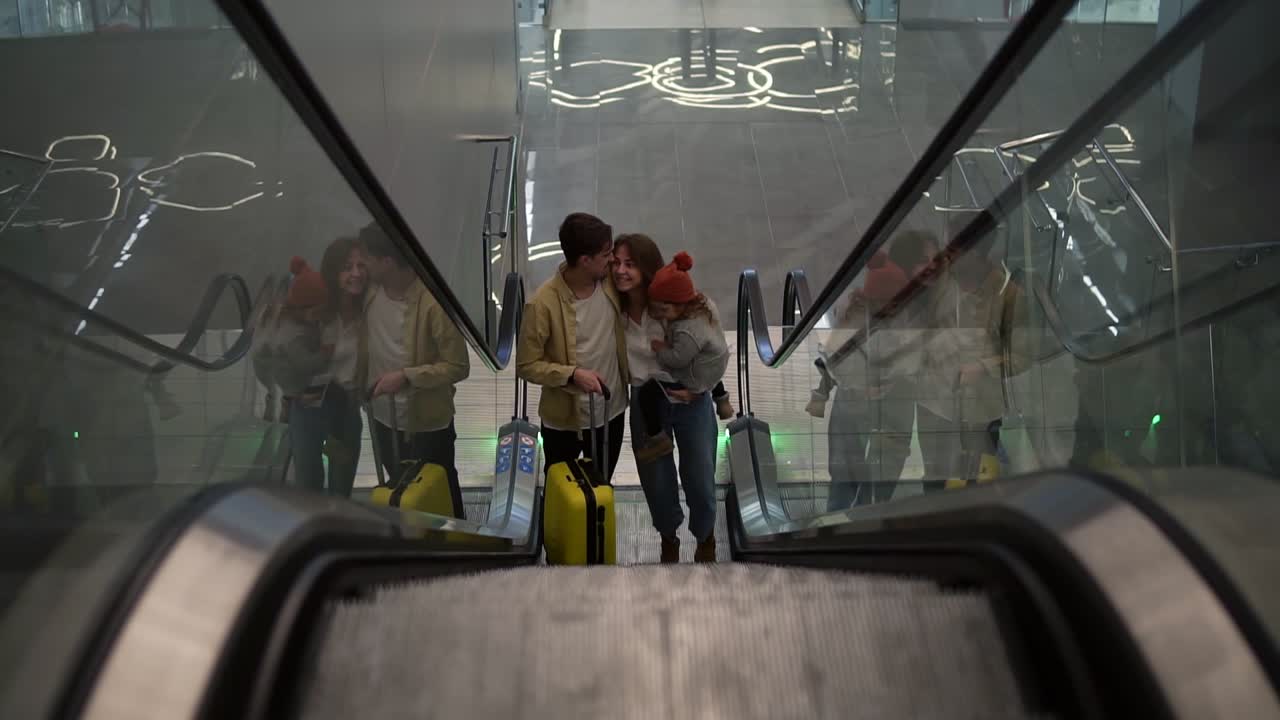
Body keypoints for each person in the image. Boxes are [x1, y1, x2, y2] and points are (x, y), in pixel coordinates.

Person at [614, 235, 720, 563]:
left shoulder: (674, 303)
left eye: (630, 264)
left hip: (690, 401)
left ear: (647, 267)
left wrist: (705, 388)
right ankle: (668, 540)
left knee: (700, 478)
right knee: (656, 483)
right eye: (615, 263)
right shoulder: (610, 311)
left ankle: (706, 538)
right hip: (646, 406)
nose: (620, 271)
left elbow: (713, 350)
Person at [358, 224, 470, 516]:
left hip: (427, 424)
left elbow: (458, 366)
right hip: (382, 417)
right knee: (402, 494)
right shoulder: (368, 293)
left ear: (387, 262)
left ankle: (458, 549)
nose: (362, 266)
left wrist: (407, 377)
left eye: (368, 259)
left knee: (440, 491)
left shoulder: (434, 303)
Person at [516, 212, 628, 480]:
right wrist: (572, 374)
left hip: (610, 414)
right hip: (563, 423)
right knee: (561, 493)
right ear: (584, 260)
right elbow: (526, 365)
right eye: (606, 254)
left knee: (601, 487)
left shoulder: (611, 283)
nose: (612, 260)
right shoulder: (542, 304)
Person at [806, 250, 912, 510]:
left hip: (865, 402)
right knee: (857, 472)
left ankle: (846, 519)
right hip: (871, 403)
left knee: (855, 472)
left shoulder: (858, 314)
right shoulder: (862, 317)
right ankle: (865, 517)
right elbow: (835, 358)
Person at [287, 240, 368, 497]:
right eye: (347, 267)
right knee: (308, 485)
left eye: (361, 265)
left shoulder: (368, 312)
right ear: (333, 273)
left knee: (341, 488)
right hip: (310, 406)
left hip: (347, 408)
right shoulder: (315, 312)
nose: (356, 273)